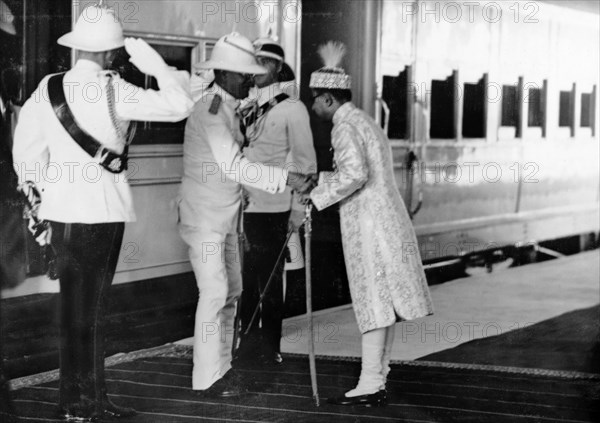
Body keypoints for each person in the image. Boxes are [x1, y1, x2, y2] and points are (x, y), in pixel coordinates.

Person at [11, 4, 193, 421]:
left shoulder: (47, 88)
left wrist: (48, 195)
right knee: (94, 309)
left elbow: (26, 154)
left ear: (77, 48)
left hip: (60, 213)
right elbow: (180, 104)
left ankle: (77, 401)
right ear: (112, 54)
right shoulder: (116, 90)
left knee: (72, 308)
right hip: (103, 213)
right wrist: (156, 64)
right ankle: (87, 402)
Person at [177, 32, 311, 397]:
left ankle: (223, 369)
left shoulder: (228, 108)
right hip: (205, 221)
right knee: (216, 291)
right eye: (243, 74)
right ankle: (208, 377)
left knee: (231, 291)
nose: (250, 80)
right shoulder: (211, 111)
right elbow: (234, 166)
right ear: (222, 73)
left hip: (227, 221)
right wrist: (287, 177)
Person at [307, 42, 434, 407]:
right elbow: (359, 170)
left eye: (316, 99)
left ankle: (370, 382)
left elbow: (355, 173)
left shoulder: (343, 128)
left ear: (329, 98)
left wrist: (316, 195)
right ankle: (379, 376)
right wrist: (320, 180)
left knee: (372, 301)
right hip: (384, 218)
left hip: (368, 224)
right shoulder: (364, 120)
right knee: (383, 301)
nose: (313, 106)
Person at [235, 37, 317, 365]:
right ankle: (246, 344)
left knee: (269, 282)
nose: (256, 70)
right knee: (244, 281)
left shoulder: (291, 109)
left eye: (263, 63)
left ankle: (269, 347)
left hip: (274, 207)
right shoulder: (242, 105)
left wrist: (299, 208)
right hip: (243, 206)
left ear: (277, 68)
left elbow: (305, 164)